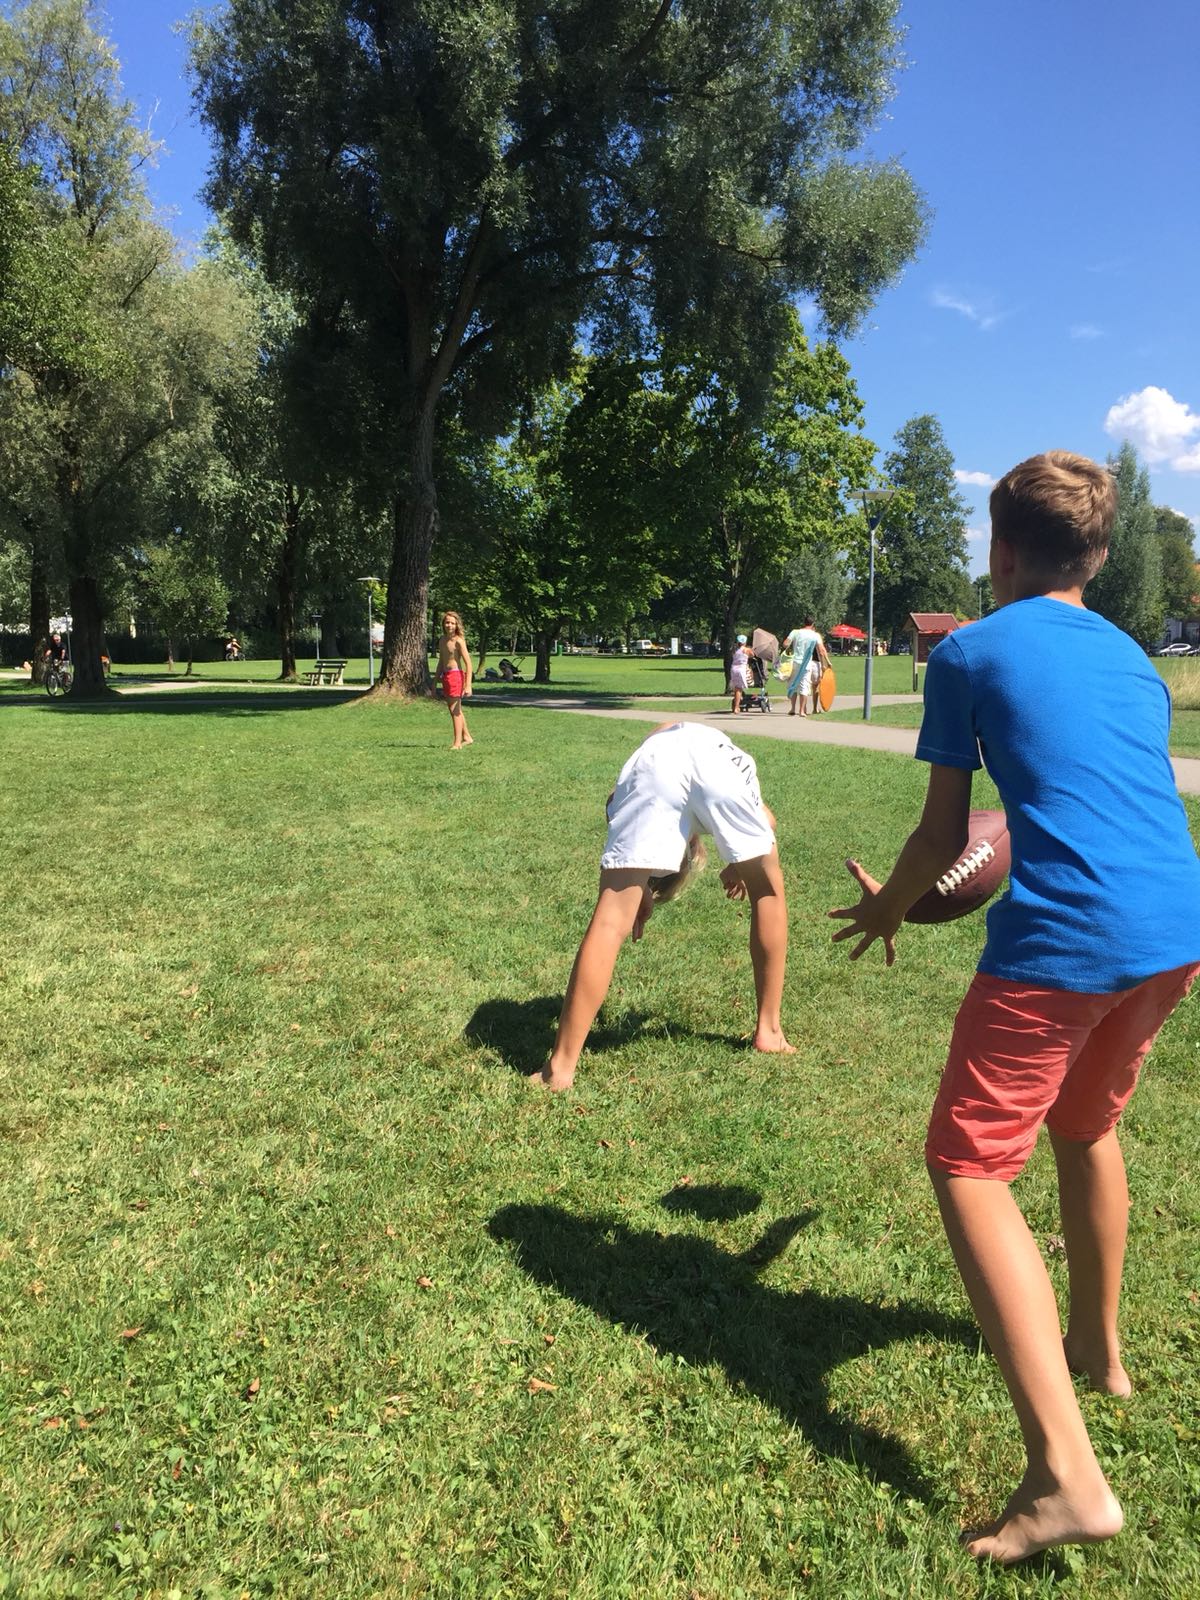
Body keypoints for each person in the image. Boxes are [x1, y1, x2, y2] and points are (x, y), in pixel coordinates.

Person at [829, 451, 1200, 1565]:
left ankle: (1064, 1476)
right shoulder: (1136, 659)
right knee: (1086, 1126)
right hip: (1175, 927)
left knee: (970, 1163)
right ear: (1093, 555)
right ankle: (1100, 1348)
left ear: (998, 549)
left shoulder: (971, 650)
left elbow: (947, 837)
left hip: (1069, 937)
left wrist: (889, 909)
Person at [533, 720, 794, 1090]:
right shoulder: (710, 751)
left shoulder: (657, 751)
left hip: (658, 769)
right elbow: (768, 822)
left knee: (610, 920)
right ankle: (768, 1030)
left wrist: (637, 887)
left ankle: (559, 1069)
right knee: (768, 891)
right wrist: (738, 863)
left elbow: (620, 810)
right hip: (718, 770)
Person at [436, 610, 474, 749]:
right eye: (447, 622)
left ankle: (457, 743)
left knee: (455, 711)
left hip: (456, 676)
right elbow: (441, 661)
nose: (449, 625)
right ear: (443, 624)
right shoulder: (442, 640)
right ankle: (467, 737)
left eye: (452, 623)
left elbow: (468, 664)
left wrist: (468, 685)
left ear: (456, 625)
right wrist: (435, 681)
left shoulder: (459, 641)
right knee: (453, 708)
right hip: (446, 676)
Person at [782, 618, 830, 717]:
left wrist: (790, 648)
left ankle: (792, 708)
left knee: (793, 685)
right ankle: (801, 711)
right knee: (804, 686)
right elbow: (821, 650)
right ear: (813, 624)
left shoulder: (795, 632)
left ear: (804, 623)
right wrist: (826, 663)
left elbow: (785, 644)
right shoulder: (815, 635)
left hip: (794, 662)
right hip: (806, 664)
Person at [728, 633, 751, 714]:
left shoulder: (734, 649)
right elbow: (752, 655)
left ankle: (737, 703)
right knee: (739, 689)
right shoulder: (746, 649)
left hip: (733, 669)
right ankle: (736, 707)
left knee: (736, 689)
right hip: (741, 669)